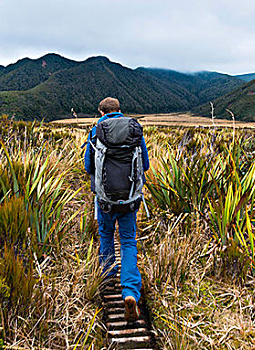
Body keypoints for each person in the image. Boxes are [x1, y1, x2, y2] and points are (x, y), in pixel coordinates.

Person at [84, 97, 150, 322]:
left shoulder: (96, 131)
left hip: (104, 199)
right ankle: (130, 291)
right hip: (130, 199)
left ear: (101, 111)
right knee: (129, 241)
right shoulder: (134, 130)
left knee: (105, 236)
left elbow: (88, 166)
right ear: (119, 110)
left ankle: (108, 276)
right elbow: (146, 165)